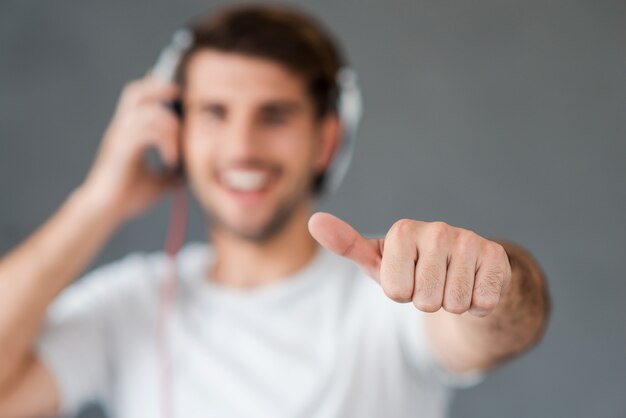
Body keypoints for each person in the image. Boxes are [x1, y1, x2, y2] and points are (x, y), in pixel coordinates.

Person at [0, 4, 550, 418]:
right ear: (176, 131)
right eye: (214, 112)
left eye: (275, 115)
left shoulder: (392, 288)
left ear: (326, 140)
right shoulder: (130, 302)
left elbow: (500, 330)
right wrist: (97, 202)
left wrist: (492, 282)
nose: (242, 147)